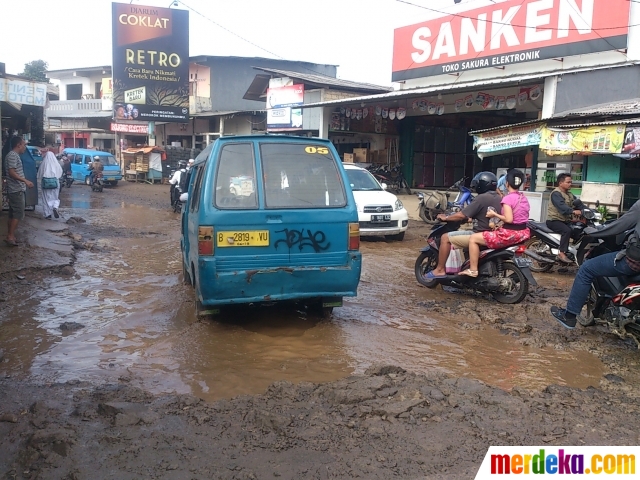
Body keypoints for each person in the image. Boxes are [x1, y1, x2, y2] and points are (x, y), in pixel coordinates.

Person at [551, 199, 640, 329]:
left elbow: (620, 225)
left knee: (586, 269)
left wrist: (596, 232)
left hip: (635, 262)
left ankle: (569, 316)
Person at [428, 172, 503, 278]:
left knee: (445, 238)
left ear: (482, 184)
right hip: (494, 234)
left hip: (480, 235)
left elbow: (462, 214)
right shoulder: (499, 198)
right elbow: (482, 215)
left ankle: (440, 270)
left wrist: (446, 217)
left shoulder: (481, 198)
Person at [461, 169, 531, 277]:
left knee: (473, 238)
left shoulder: (507, 199)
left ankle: (473, 270)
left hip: (509, 234)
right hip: (523, 233)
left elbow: (509, 219)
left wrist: (494, 214)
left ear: (507, 183)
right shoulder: (523, 197)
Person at [546, 173, 584, 264]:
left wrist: (587, 210)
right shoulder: (556, 193)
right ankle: (562, 253)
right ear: (560, 183)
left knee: (579, 229)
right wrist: (573, 211)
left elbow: (578, 203)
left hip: (565, 220)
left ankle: (574, 251)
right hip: (554, 220)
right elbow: (562, 207)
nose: (570, 184)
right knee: (566, 231)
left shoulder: (569, 194)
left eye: (571, 182)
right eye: (568, 182)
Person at [4, 136, 33, 246]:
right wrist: (25, 181)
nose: (25, 147)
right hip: (16, 189)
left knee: (13, 214)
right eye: (24, 144)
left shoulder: (14, 156)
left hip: (16, 189)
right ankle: (10, 236)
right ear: (18, 145)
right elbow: (12, 173)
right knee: (18, 214)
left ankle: (11, 235)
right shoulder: (12, 156)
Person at [37, 151, 63, 219]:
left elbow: (39, 174)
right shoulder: (56, 164)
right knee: (55, 197)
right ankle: (55, 207)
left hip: (45, 183)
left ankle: (47, 214)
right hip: (55, 182)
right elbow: (60, 172)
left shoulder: (44, 163)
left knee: (46, 198)